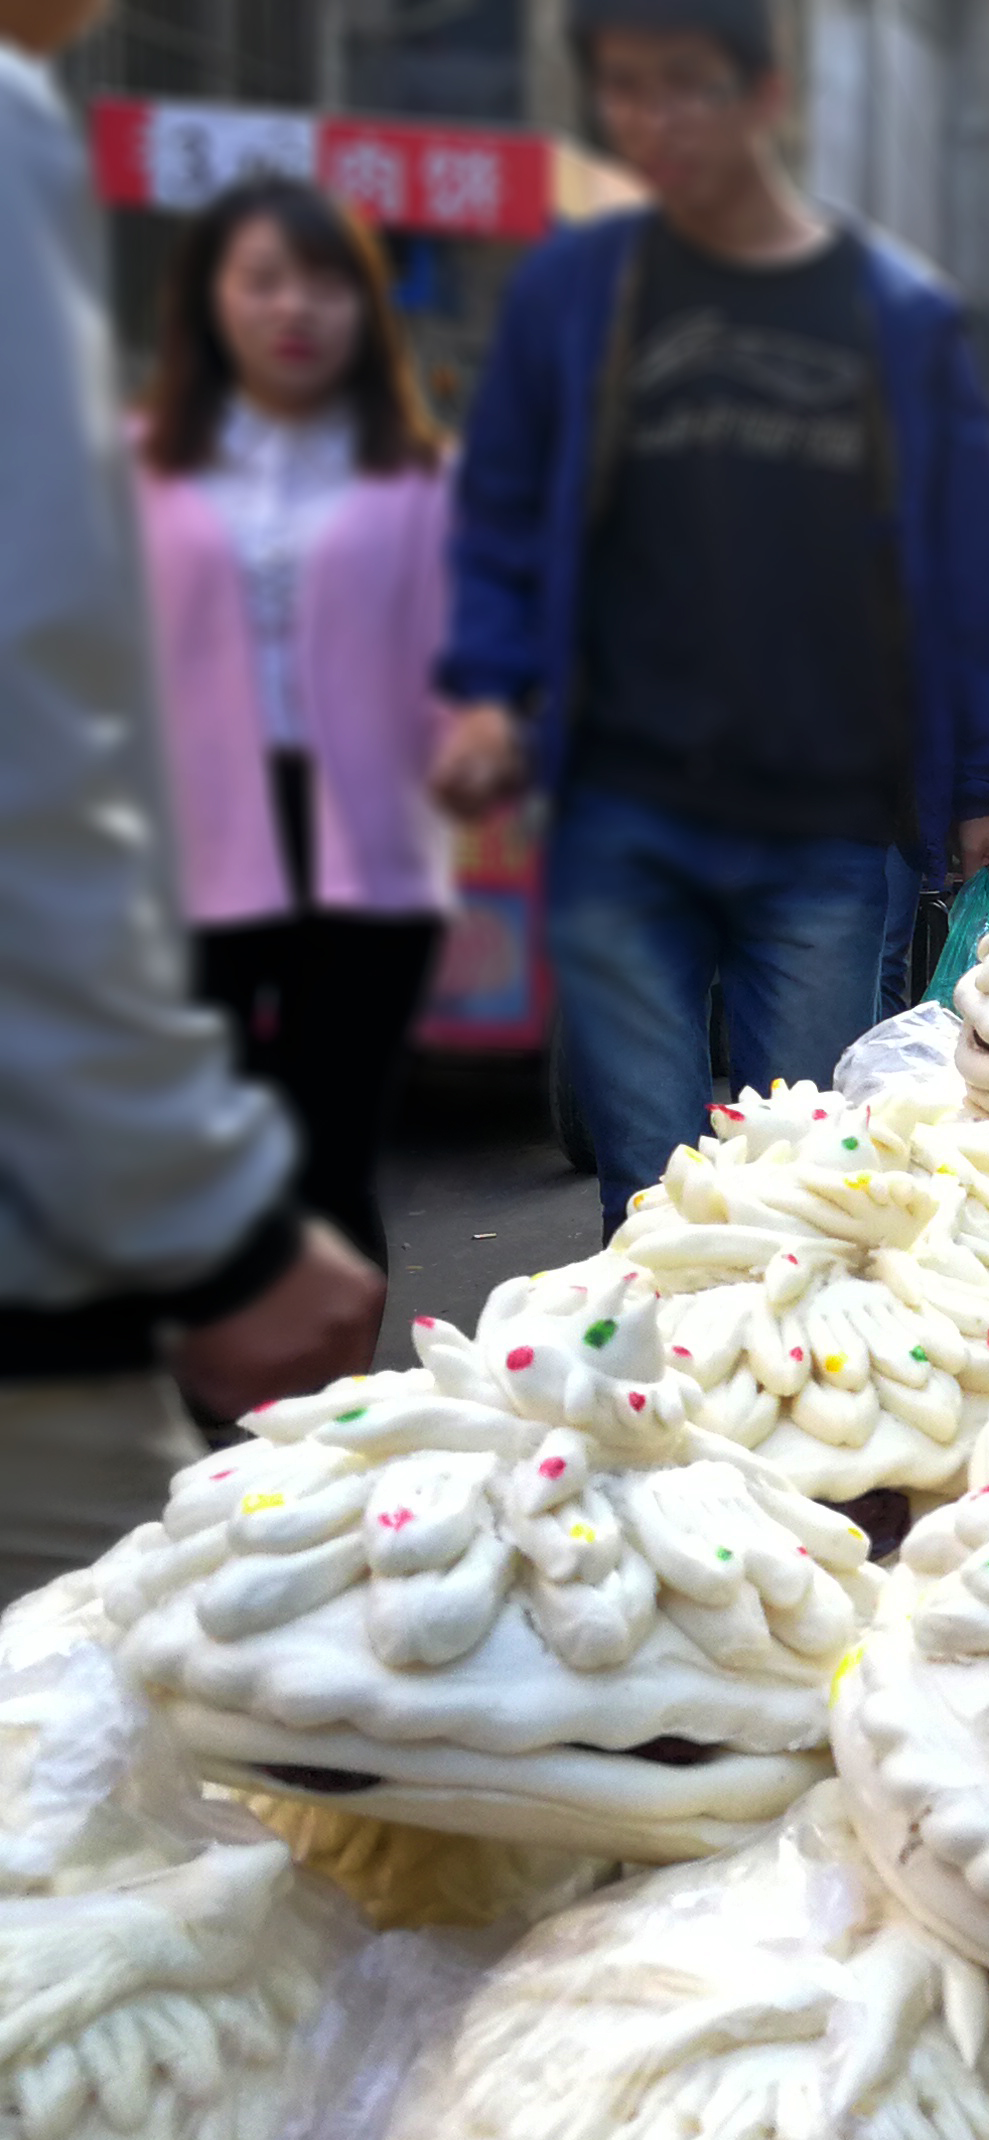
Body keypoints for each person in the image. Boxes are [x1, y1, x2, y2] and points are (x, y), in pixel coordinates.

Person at [432, 0, 989, 1230]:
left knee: (792, 1177)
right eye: (624, 89)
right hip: (620, 808)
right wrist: (490, 691)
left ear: (765, 97)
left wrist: (987, 779)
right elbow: (497, 520)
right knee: (651, 1188)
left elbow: (970, 566)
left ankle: (770, 1407)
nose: (652, 119)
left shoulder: (894, 316)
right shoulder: (573, 299)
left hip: (822, 816)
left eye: (684, 85)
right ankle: (641, 1410)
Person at [0, 0, 386, 1600]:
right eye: (258, 278)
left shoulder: (399, 477)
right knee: (125, 1753)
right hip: (57, 1196)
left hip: (353, 867)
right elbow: (33, 716)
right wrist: (206, 1225)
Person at [133, 175, 458, 1272]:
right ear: (208, 302)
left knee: (330, 1151)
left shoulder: (421, 477)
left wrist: (476, 733)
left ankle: (327, 1414)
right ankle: (192, 1396)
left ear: (365, 307)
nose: (294, 308)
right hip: (183, 838)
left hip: (366, 842)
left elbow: (462, 657)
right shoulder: (135, 468)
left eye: (324, 282)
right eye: (262, 279)